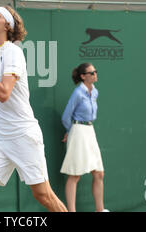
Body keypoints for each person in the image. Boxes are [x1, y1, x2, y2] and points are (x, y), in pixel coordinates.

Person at [0, 6, 68, 212]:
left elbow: (4, 93)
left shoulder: (13, 52)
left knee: (43, 195)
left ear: (7, 25)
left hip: (23, 135)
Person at [61, 63, 108, 212]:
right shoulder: (78, 93)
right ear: (83, 76)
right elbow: (66, 116)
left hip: (90, 131)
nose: (95, 74)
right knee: (75, 175)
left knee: (99, 173)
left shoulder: (95, 92)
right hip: (78, 132)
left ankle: (100, 210)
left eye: (95, 71)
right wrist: (70, 130)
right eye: (92, 72)